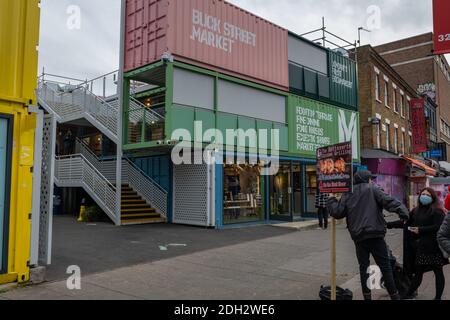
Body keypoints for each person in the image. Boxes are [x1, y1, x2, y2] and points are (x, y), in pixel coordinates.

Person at [327, 170, 409, 301]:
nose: (372, 180)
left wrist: (331, 199)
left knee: (363, 267)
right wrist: (404, 213)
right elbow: (389, 201)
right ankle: (395, 296)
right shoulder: (373, 189)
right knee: (385, 267)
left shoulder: (348, 193)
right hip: (376, 234)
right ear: (367, 179)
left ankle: (367, 297)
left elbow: (337, 213)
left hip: (359, 236)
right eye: (371, 178)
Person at [403, 188, 447, 300]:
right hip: (422, 247)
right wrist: (388, 225)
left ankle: (438, 297)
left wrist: (420, 230)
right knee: (418, 272)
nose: (424, 196)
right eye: (423, 194)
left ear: (432, 198)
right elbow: (407, 223)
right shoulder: (415, 211)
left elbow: (438, 227)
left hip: (434, 247)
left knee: (438, 271)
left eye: (427, 195)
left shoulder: (437, 211)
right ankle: (408, 294)